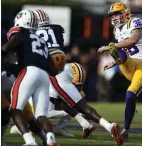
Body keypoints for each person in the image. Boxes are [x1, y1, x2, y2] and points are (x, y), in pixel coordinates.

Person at [34, 9, 123, 146]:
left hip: (51, 72)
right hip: (63, 66)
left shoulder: (32, 33)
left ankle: (38, 136)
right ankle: (107, 126)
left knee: (41, 111)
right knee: (77, 104)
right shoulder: (57, 28)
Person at [98, 2, 142, 141]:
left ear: (125, 12)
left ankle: (125, 131)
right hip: (129, 64)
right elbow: (122, 50)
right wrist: (113, 62)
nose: (115, 18)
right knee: (116, 50)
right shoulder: (116, 31)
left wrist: (109, 47)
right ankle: (116, 56)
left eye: (117, 14)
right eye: (112, 16)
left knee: (130, 95)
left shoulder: (135, 21)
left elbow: (133, 41)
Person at [2, 9, 58, 146]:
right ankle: (51, 139)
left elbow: (10, 44)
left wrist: (3, 50)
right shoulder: (42, 41)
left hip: (28, 71)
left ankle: (30, 141)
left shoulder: (20, 33)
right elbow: (53, 69)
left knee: (15, 109)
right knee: (41, 115)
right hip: (44, 76)